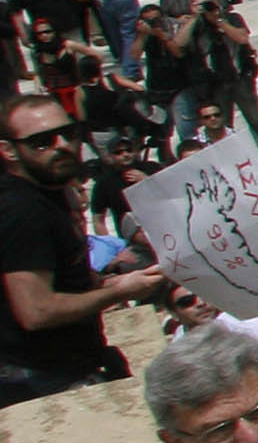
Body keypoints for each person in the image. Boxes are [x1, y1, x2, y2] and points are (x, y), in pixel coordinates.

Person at [0, 93, 162, 399]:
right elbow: (36, 310)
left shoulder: (48, 192)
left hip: (71, 363)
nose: (61, 146)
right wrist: (118, 292)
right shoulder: (22, 211)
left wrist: (102, 282)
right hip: (48, 381)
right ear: (9, 150)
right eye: (42, 142)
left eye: (69, 133)